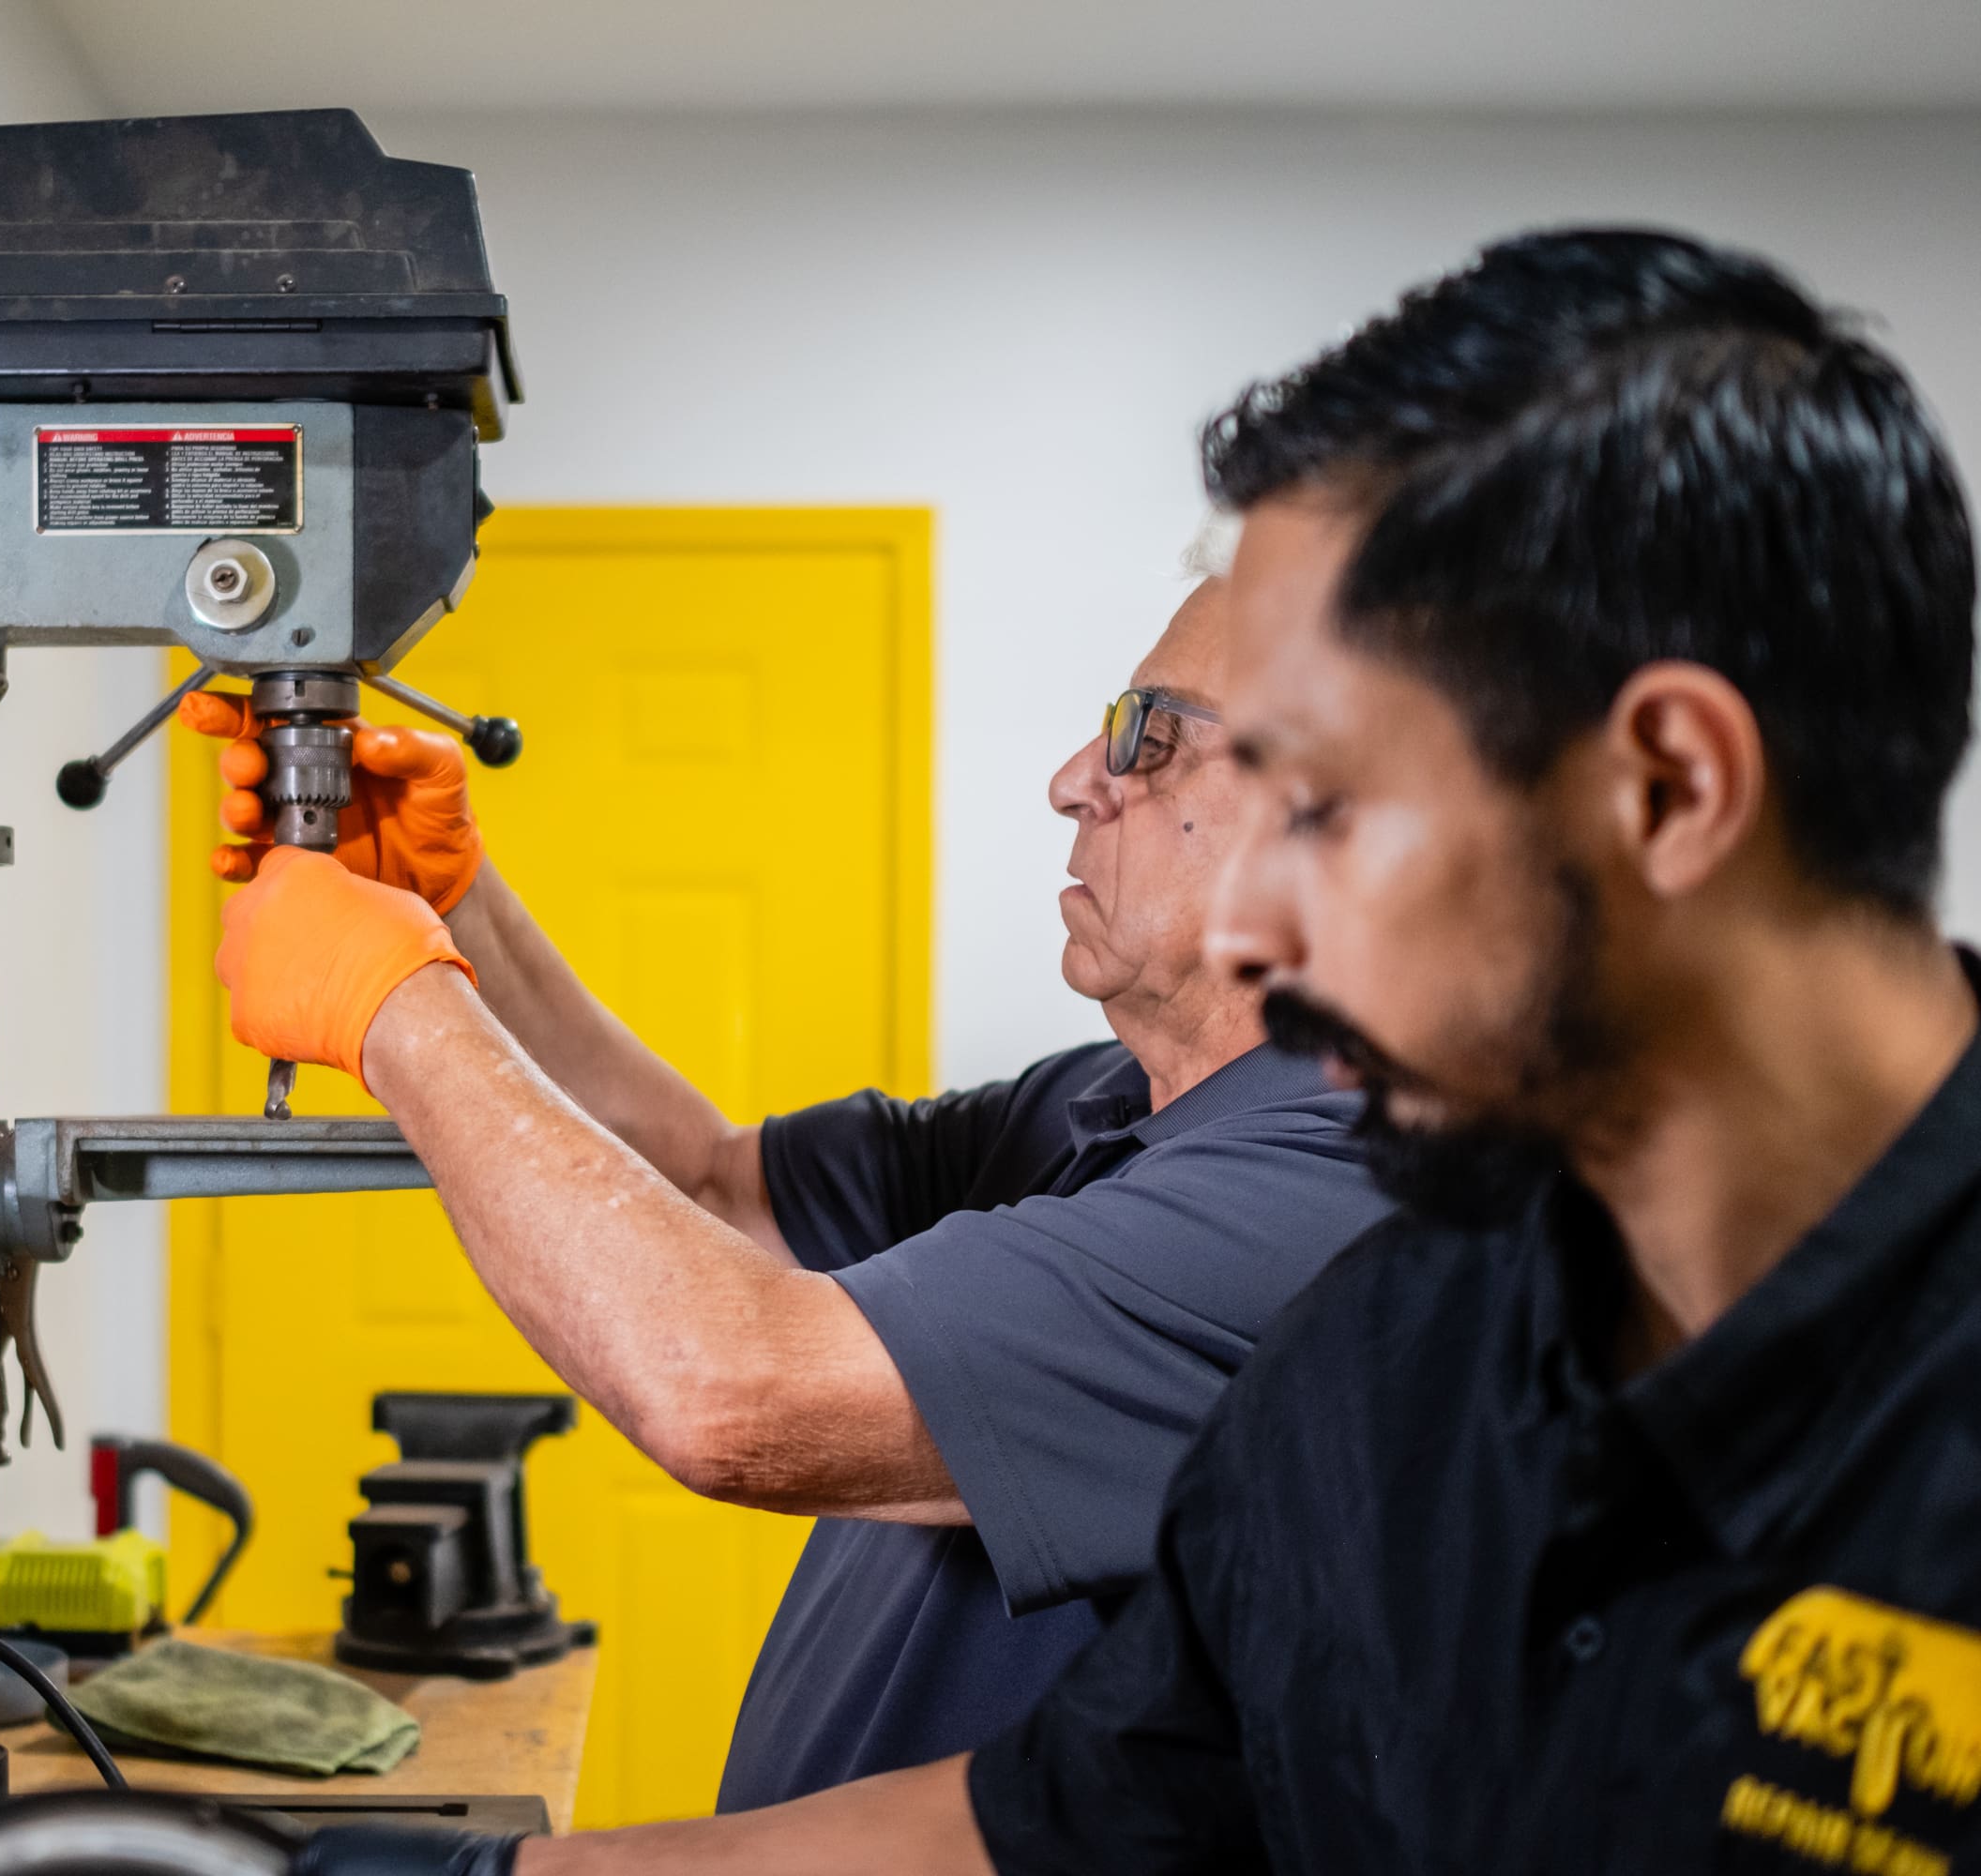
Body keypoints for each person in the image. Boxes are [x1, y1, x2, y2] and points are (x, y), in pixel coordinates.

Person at [272, 223, 1981, 1873]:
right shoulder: (1394, 1356)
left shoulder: (1355, 1226)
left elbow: (737, 1388)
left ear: (1665, 789)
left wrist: (398, 999)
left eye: (1326, 804)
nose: (1253, 936)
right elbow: (1067, 1818)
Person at [184, 559, 1393, 1807]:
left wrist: (391, 1008)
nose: (1076, 781)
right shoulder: (1094, 1107)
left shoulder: (1336, 1208)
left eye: (1150, 737)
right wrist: (444, 905)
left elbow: (731, 1393)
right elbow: (713, 1188)